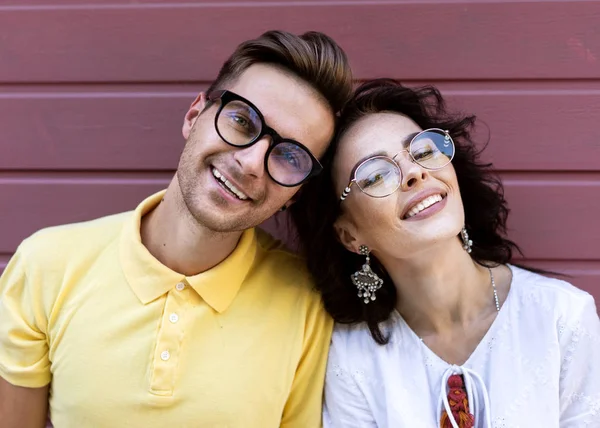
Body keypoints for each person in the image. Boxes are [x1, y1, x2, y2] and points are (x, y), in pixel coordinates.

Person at [0, 30, 353, 428]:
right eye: (242, 120)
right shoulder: (46, 264)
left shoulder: (305, 303)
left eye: (290, 155)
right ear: (193, 116)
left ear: (296, 193)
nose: (253, 162)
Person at [290, 79, 600, 427]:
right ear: (349, 234)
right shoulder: (353, 357)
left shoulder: (562, 318)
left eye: (422, 151)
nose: (415, 172)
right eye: (376, 175)